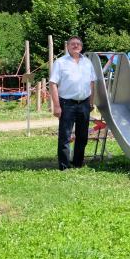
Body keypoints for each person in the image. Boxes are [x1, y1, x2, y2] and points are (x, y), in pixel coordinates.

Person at [49, 36, 96, 170]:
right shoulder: (60, 62)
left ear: (81, 47)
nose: (75, 46)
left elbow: (92, 83)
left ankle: (78, 163)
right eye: (72, 44)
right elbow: (53, 84)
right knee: (65, 135)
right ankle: (64, 166)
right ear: (68, 46)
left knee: (82, 136)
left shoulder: (87, 62)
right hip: (67, 103)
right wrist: (57, 106)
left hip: (84, 103)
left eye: (78, 44)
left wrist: (91, 103)